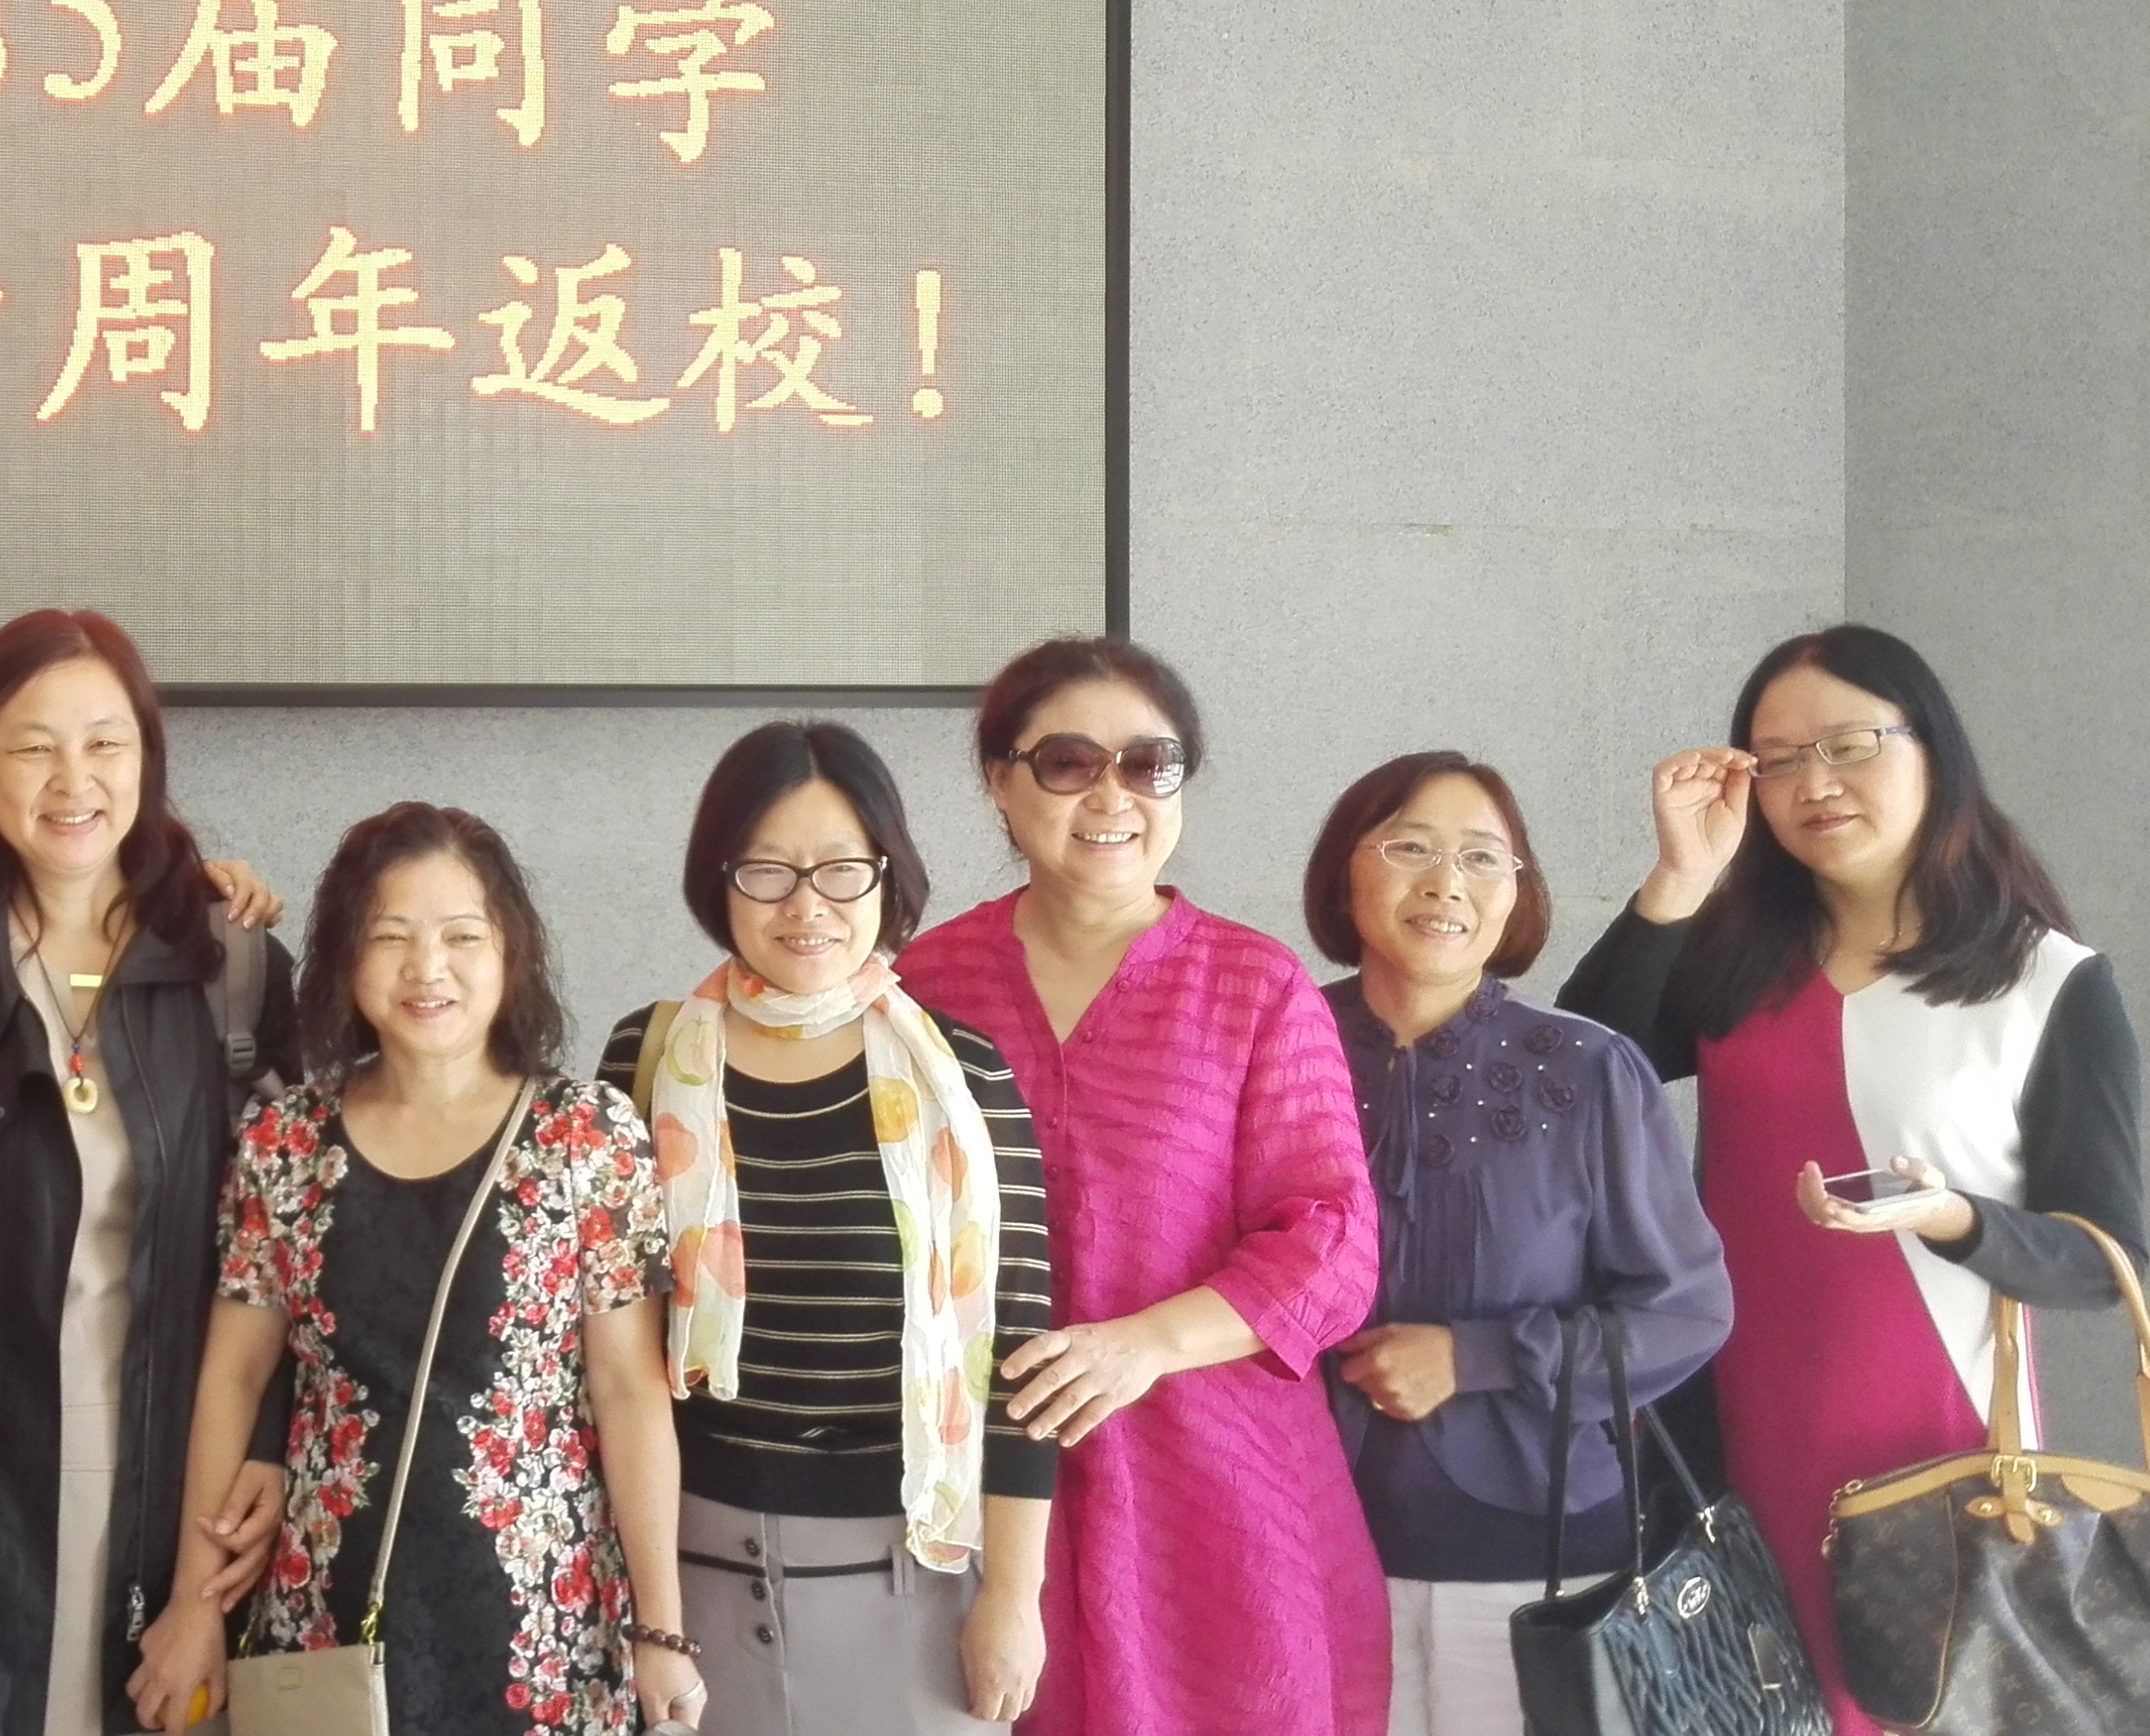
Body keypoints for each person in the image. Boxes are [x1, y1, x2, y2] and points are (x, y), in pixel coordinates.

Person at [1553, 625, 2144, 1736]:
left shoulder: (2042, 981)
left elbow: (2107, 1258)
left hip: (1932, 1449)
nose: (1811, 782)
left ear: (1932, 749)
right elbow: (1584, 1066)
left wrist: (1954, 1217)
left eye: (1847, 744)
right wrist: (1678, 877)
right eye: (1775, 759)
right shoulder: (1734, 952)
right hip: (1720, 1420)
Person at [893, 635, 1388, 1736]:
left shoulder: (1253, 985)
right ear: (998, 781)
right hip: (979, 1486)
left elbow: (1331, 1241)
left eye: (1147, 763)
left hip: (1216, 1491)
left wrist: (1145, 1342)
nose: (1110, 793)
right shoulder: (924, 982)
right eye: (1067, 761)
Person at [129, 803, 698, 1736]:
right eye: (389, 935)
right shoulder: (284, 1141)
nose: (426, 967)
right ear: (344, 958)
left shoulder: (584, 1136)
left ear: (510, 951)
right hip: (326, 1610)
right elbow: (233, 1376)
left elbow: (628, 1391)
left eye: (461, 935)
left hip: (545, 1623)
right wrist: (197, 1602)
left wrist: (660, 1626)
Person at [0, 609, 298, 1736]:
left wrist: (268, 1459)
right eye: (32, 745)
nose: (72, 778)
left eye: (105, 742)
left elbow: (290, 1250)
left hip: (170, 1463)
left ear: (146, 756)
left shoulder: (227, 967)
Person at [591, 721, 1059, 1735]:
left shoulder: (963, 1076)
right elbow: (608, 1344)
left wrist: (1013, 1596)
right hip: (687, 1575)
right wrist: (647, 1612)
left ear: (888, 876)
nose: (806, 905)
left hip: (914, 1571)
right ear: (718, 880)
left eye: (842, 869)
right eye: (767, 870)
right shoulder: (646, 1058)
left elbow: (1018, 1345)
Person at [1302, 753, 1729, 1736]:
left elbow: (1684, 1310)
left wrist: (1476, 1355)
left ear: (1515, 892)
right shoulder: (1274, 1042)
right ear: (1343, 869)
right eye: (1409, 847)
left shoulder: (1588, 1068)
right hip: (1306, 1538)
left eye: (1482, 857)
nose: (1445, 881)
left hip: (1540, 1559)